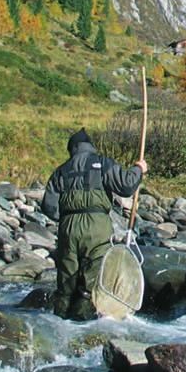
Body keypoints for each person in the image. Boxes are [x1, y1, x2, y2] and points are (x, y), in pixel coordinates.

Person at [41, 128, 148, 320]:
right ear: (90, 147)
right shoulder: (103, 163)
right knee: (93, 282)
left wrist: (66, 218)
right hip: (97, 228)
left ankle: (59, 324)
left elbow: (49, 208)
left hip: (68, 228)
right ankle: (85, 327)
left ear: (72, 149)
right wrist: (139, 168)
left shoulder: (60, 171)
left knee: (66, 283)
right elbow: (126, 186)